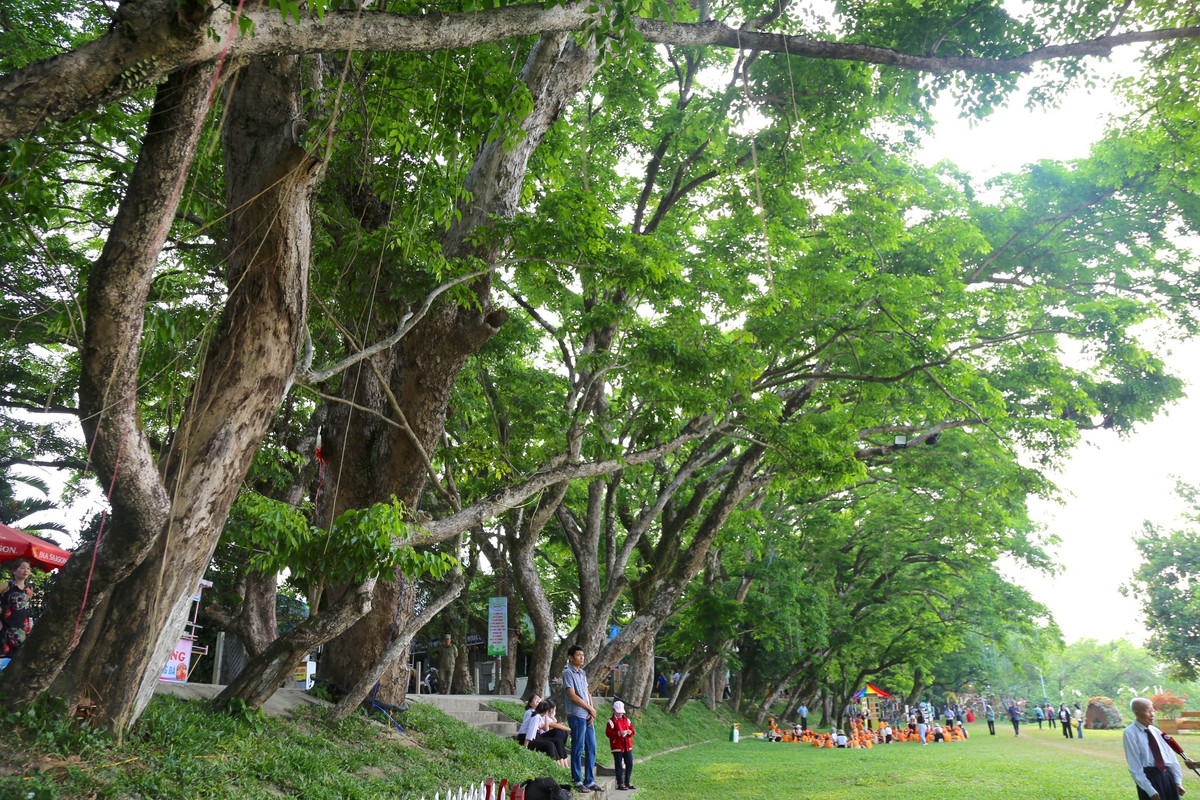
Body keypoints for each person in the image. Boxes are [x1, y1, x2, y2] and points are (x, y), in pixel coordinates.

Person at [1124, 696, 1187, 800]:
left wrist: (1177, 781)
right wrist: (1149, 790)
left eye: (1153, 711)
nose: (1153, 715)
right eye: (1148, 711)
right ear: (1137, 713)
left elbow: (1171, 759)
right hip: (1150, 778)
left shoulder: (1157, 731)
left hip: (1168, 777)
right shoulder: (1130, 733)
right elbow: (1134, 765)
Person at [564, 644, 600, 792]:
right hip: (576, 715)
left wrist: (591, 710)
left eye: (583, 655)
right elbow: (572, 696)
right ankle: (577, 780)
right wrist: (590, 708)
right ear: (570, 657)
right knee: (578, 748)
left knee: (592, 747)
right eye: (578, 655)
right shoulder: (568, 673)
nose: (582, 658)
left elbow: (587, 692)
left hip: (586, 714)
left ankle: (590, 781)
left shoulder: (582, 673)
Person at [0, 559, 34, 658]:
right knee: (4, 654)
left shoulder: (29, 588)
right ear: (14, 571)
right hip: (6, 625)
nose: (26, 570)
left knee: (19, 656)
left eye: (28, 568)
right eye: (22, 568)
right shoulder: (7, 585)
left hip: (22, 626)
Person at [605, 700, 637, 791]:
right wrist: (619, 733)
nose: (620, 714)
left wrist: (629, 732)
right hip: (617, 746)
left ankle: (627, 782)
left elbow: (632, 730)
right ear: (614, 711)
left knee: (629, 763)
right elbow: (608, 733)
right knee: (618, 764)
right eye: (618, 712)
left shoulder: (627, 720)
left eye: (621, 712)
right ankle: (620, 783)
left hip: (627, 744)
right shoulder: (611, 721)